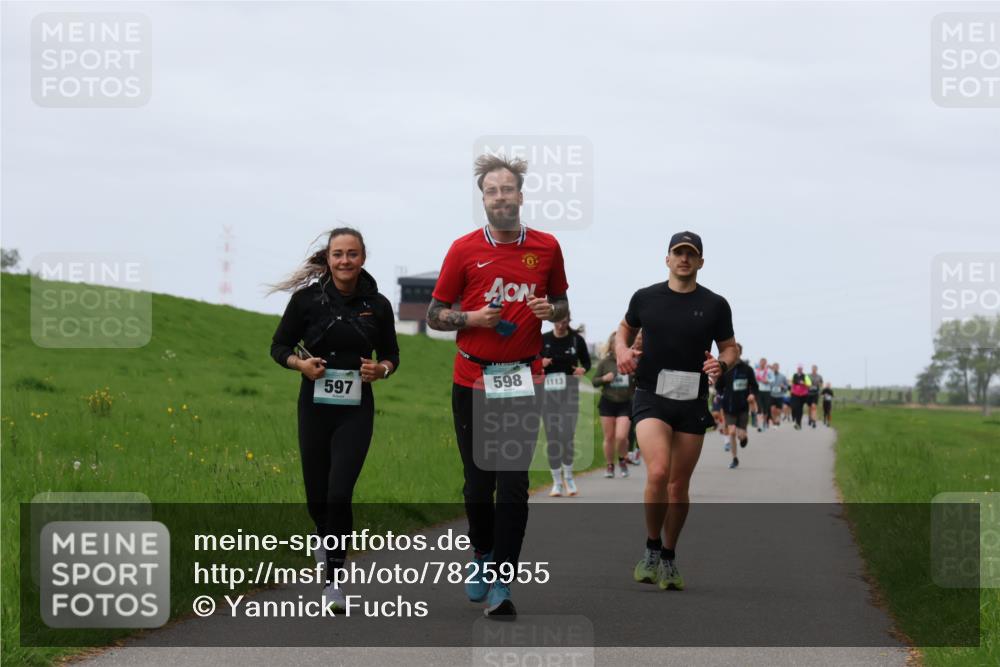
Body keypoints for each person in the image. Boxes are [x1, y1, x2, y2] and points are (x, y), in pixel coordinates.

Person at [426, 154, 569, 618]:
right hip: (471, 379)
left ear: (521, 196)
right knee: (477, 483)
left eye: (508, 189)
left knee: (512, 484)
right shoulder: (463, 249)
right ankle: (482, 558)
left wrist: (554, 313)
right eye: (492, 191)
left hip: (524, 379)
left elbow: (563, 304)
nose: (501, 197)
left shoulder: (547, 247)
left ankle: (504, 581)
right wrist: (470, 318)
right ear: (483, 198)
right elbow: (434, 315)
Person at [269, 228, 400, 612]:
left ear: (363, 258)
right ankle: (322, 536)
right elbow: (278, 346)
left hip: (356, 410)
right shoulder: (306, 301)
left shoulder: (378, 304)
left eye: (352, 254)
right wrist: (300, 364)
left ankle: (335, 583)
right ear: (328, 258)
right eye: (338, 254)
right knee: (317, 496)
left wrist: (383, 370)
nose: (345, 261)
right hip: (314, 406)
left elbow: (392, 354)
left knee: (340, 492)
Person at [615, 231, 739, 591]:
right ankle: (651, 547)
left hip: (691, 401)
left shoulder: (716, 305)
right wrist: (622, 351)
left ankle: (669, 554)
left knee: (678, 484)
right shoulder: (645, 297)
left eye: (691, 254)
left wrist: (722, 365)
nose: (684, 259)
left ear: (700, 262)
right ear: (667, 259)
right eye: (677, 252)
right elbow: (625, 328)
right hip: (651, 394)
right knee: (657, 472)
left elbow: (730, 348)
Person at [541, 315, 591, 496]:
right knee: (553, 438)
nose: (561, 325)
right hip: (548, 397)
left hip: (569, 395)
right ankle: (556, 482)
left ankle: (568, 477)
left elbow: (587, 362)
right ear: (552, 321)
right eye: (558, 322)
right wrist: (540, 363)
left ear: (568, 321)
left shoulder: (576, 340)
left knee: (566, 435)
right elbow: (531, 361)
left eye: (564, 322)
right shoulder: (543, 340)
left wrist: (582, 370)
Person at [592, 331, 636, 478]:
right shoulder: (605, 363)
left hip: (625, 403)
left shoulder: (631, 361)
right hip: (608, 403)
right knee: (609, 437)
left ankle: (622, 460)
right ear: (611, 346)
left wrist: (635, 376)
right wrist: (604, 378)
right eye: (614, 344)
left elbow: (640, 381)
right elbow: (594, 382)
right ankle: (610, 466)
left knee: (622, 436)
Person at [719, 347, 759, 469]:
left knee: (740, 435)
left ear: (740, 353)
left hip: (742, 407)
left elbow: (754, 386)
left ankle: (744, 437)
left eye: (737, 352)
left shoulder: (747, 369)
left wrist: (752, 394)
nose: (734, 354)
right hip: (729, 407)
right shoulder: (725, 369)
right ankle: (734, 458)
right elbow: (718, 386)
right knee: (731, 431)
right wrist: (721, 395)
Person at [754, 357, 773, 432]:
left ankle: (765, 422)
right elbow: (753, 380)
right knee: (759, 408)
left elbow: (773, 379)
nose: (762, 364)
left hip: (767, 391)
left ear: (765, 363)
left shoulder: (769, 371)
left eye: (763, 362)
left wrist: (767, 381)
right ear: (759, 363)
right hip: (759, 391)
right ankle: (759, 425)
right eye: (761, 362)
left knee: (765, 409)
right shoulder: (756, 371)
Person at [790, 364, 810, 430]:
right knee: (794, 407)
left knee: (799, 409)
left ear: (802, 369)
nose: (799, 370)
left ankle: (798, 423)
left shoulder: (805, 376)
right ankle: (795, 417)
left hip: (802, 395)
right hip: (795, 394)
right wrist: (792, 388)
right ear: (797, 369)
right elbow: (791, 382)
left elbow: (809, 384)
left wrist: (803, 383)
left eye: (801, 369)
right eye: (799, 368)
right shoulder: (794, 375)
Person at [769, 362, 788, 427]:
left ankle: (777, 419)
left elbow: (787, 386)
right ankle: (774, 420)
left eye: (777, 367)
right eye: (774, 367)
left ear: (778, 368)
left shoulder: (783, 376)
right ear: (773, 368)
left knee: (778, 410)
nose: (775, 368)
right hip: (771, 395)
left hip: (780, 395)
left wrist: (783, 387)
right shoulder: (769, 376)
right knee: (772, 409)